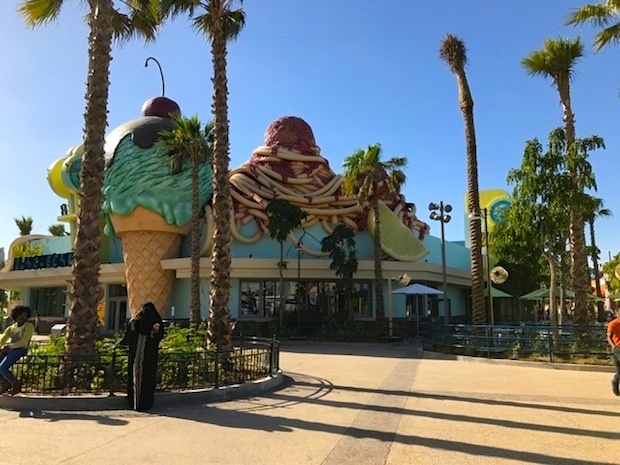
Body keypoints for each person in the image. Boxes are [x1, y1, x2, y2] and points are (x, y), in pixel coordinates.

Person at [121, 302, 164, 410]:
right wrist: (133, 322)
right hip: (139, 357)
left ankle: (142, 402)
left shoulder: (153, 323)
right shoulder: (138, 322)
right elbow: (129, 334)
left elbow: (158, 337)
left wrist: (155, 330)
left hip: (146, 357)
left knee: (146, 379)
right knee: (138, 378)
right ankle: (136, 402)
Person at [0, 305, 34, 395]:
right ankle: (4, 383)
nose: (22, 317)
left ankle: (15, 384)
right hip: (10, 349)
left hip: (21, 349)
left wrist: (9, 346)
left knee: (2, 367)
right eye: (20, 315)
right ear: (15, 315)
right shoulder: (11, 328)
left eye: (25, 315)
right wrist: (2, 346)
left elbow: (23, 341)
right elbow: (3, 339)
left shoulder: (28, 326)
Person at [607, 307, 620, 396]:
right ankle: (615, 381)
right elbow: (609, 336)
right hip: (618, 349)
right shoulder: (613, 324)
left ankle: (615, 380)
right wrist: (613, 346)